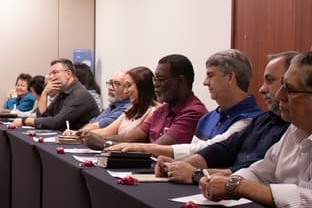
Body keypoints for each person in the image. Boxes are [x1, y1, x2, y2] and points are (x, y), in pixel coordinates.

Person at [156, 52, 295, 184]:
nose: (261, 89)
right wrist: (181, 165)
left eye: (210, 75)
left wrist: (196, 174)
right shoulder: (264, 119)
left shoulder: (252, 119)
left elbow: (253, 171)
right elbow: (225, 148)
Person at [199, 51, 312, 208]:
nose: (280, 95)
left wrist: (237, 186)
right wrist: (229, 181)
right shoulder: (295, 129)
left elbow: (308, 200)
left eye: (290, 89)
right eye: (282, 85)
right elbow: (261, 172)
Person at [111, 50, 261, 157]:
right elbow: (193, 153)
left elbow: (204, 151)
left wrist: (142, 149)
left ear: (230, 78)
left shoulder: (251, 120)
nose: (205, 82)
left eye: (210, 75)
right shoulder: (208, 118)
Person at [102, 54, 207, 146]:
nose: (156, 85)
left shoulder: (193, 112)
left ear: (181, 81)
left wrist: (104, 143)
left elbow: (157, 148)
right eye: (155, 80)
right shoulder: (161, 110)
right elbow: (129, 139)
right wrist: (97, 139)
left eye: (161, 80)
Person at [79, 66, 158, 148]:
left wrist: (97, 138)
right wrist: (85, 134)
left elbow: (129, 139)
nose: (125, 91)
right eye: (125, 86)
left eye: (128, 86)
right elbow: (109, 130)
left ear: (142, 86)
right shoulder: (131, 108)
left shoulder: (154, 111)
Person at [12, 59, 99, 130]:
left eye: (55, 72)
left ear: (68, 74)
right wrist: (44, 93)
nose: (51, 77)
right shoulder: (62, 93)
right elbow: (44, 117)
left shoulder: (80, 94)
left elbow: (56, 123)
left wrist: (25, 120)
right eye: (50, 74)